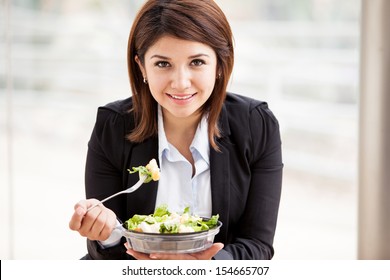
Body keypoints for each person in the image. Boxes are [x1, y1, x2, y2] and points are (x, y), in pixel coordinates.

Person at [69, 0, 283, 260]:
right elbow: (105, 254)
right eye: (162, 64)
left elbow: (257, 245)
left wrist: (204, 268)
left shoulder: (256, 125)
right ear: (141, 67)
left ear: (219, 64)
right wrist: (107, 232)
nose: (181, 83)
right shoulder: (113, 126)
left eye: (196, 62)